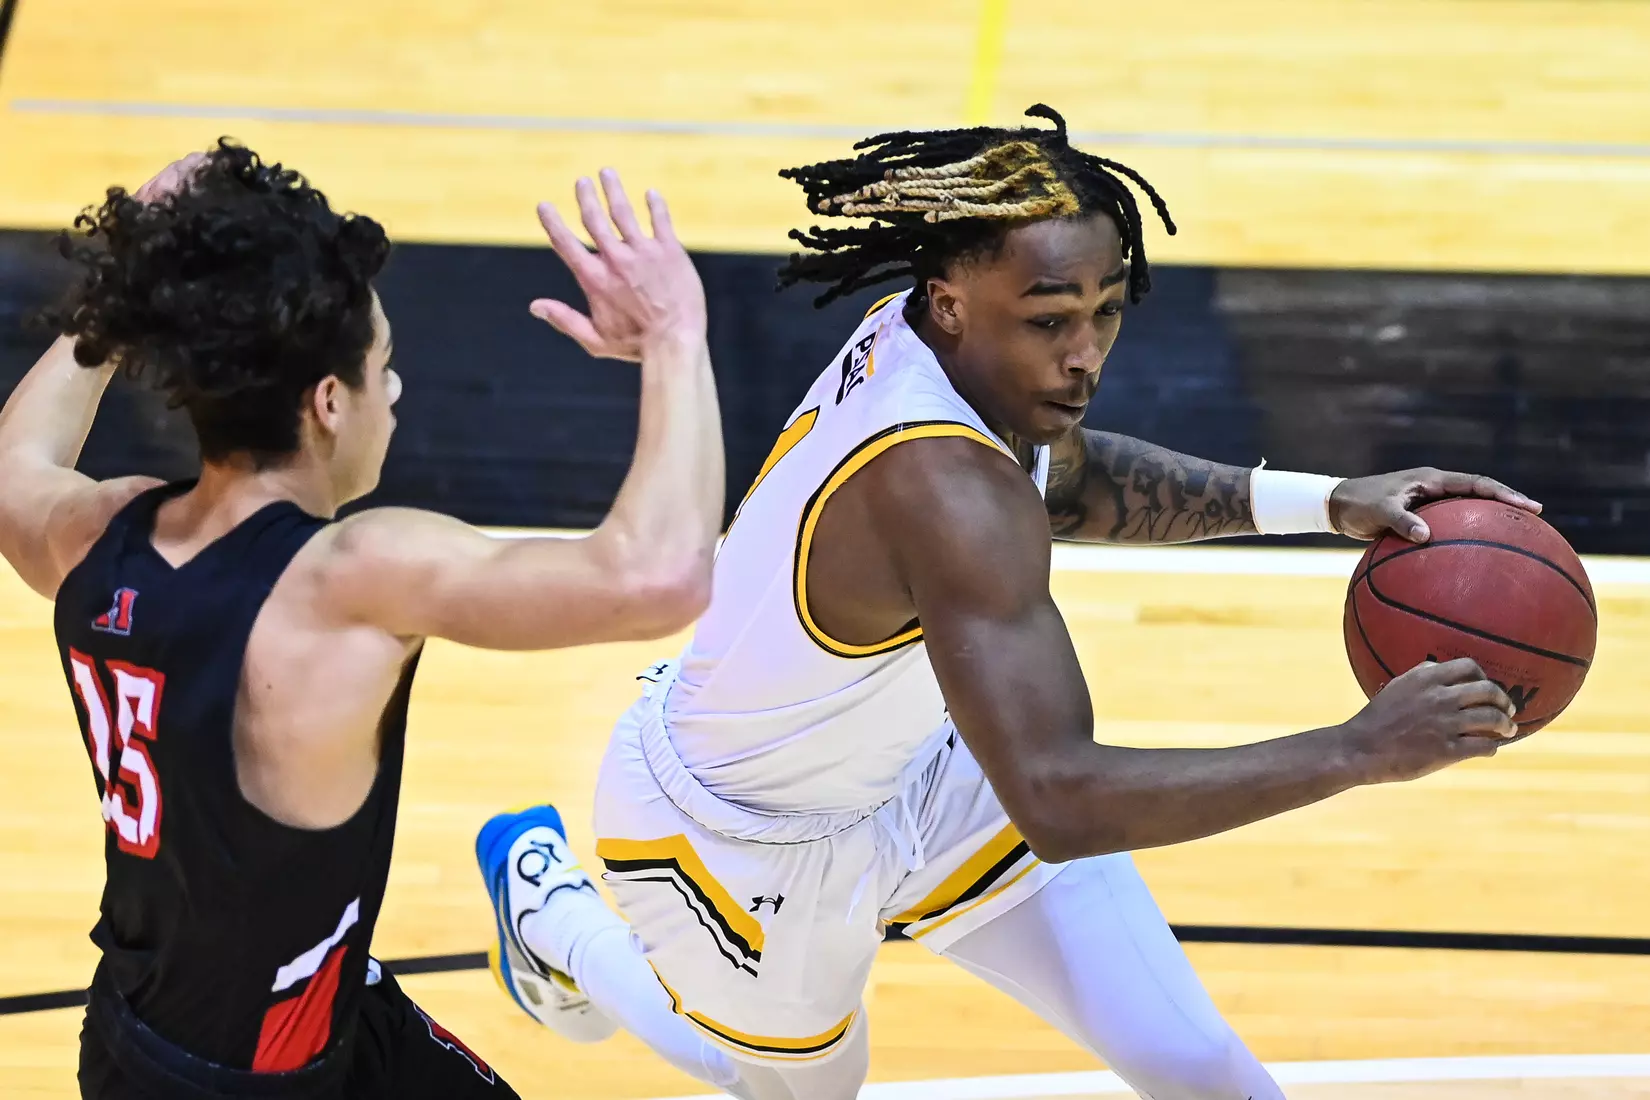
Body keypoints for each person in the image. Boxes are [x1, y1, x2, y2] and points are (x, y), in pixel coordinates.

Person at [476, 105, 1536, 1100]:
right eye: (1049, 320)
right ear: (954, 301)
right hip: (738, 839)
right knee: (791, 1085)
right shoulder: (941, 485)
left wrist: (1325, 501)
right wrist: (1359, 749)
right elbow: (1063, 798)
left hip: (926, 769)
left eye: (1104, 312)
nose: (1083, 353)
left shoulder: (943, 343)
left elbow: (1070, 476)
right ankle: (554, 910)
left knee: (1201, 1062)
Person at [0, 143, 727, 1099]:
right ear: (329, 402)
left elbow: (18, 461)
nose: (395, 391)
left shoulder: (95, 537)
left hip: (185, 1024)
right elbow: (657, 578)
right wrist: (674, 336)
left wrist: (124, 286)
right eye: (383, 367)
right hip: (255, 1080)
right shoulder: (342, 580)